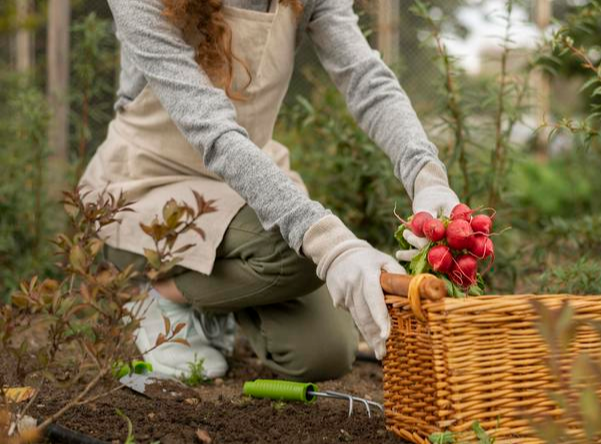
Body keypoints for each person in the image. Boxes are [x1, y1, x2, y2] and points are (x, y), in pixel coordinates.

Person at [80, 0, 459, 382]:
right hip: (149, 184)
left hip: (245, 183)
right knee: (301, 250)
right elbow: (213, 132)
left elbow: (365, 78)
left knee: (324, 354)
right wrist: (334, 245)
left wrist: (426, 176)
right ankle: (156, 296)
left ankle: (209, 300)